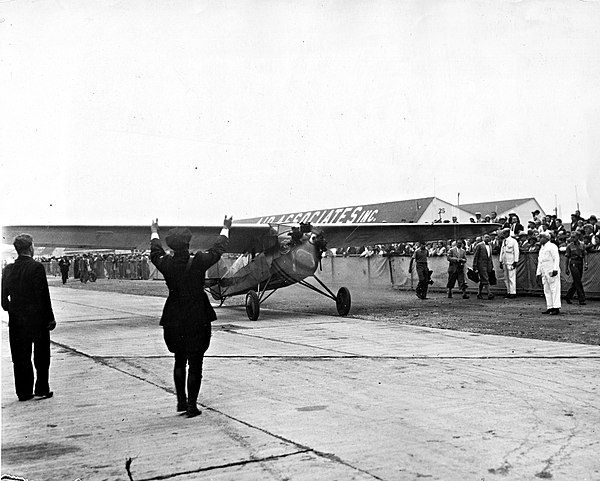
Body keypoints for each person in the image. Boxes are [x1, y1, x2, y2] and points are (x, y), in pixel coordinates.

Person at [150, 216, 232, 418]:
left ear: (171, 245)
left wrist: (154, 230)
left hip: (174, 315)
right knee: (196, 362)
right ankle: (192, 406)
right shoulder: (200, 260)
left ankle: (181, 401)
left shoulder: (165, 263)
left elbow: (155, 251)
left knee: (179, 360)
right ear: (188, 243)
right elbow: (217, 249)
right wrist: (225, 228)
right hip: (197, 314)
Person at [1, 234, 56, 401]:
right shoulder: (36, 267)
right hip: (37, 319)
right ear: (30, 247)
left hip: (17, 321)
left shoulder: (7, 270)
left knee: (20, 357)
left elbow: (3, 301)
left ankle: (23, 392)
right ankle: (41, 388)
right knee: (41, 356)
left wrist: (15, 310)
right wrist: (50, 318)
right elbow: (43, 296)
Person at [536, 231, 561, 315]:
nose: (539, 239)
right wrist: (538, 273)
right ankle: (550, 306)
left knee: (554, 289)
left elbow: (556, 258)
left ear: (546, 238)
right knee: (547, 290)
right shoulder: (542, 248)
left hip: (551, 270)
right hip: (544, 271)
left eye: (541, 237)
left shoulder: (552, 246)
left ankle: (556, 307)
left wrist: (555, 269)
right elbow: (540, 261)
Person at [564, 231, 588, 305]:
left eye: (574, 237)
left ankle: (568, 296)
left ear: (578, 237)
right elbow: (567, 258)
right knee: (577, 280)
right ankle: (581, 298)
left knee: (576, 281)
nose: (572, 238)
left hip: (580, 262)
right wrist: (566, 268)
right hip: (573, 263)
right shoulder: (569, 246)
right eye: (571, 237)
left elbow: (585, 254)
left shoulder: (582, 245)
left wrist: (586, 263)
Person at [499, 228, 519, 299]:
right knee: (506, 278)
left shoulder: (513, 241)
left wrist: (515, 261)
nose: (504, 235)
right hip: (505, 261)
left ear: (508, 233)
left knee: (511, 277)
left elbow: (516, 251)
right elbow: (502, 251)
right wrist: (500, 261)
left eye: (505, 233)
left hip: (511, 261)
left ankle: (513, 292)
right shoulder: (504, 241)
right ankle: (508, 291)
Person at [472, 234, 494, 300]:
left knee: (483, 279)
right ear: (483, 238)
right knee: (485, 278)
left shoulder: (490, 246)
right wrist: (475, 265)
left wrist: (491, 264)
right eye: (486, 237)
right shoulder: (479, 245)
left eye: (488, 237)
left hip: (488, 265)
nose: (487, 238)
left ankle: (479, 293)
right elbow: (475, 256)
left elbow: (490, 256)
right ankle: (489, 293)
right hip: (481, 265)